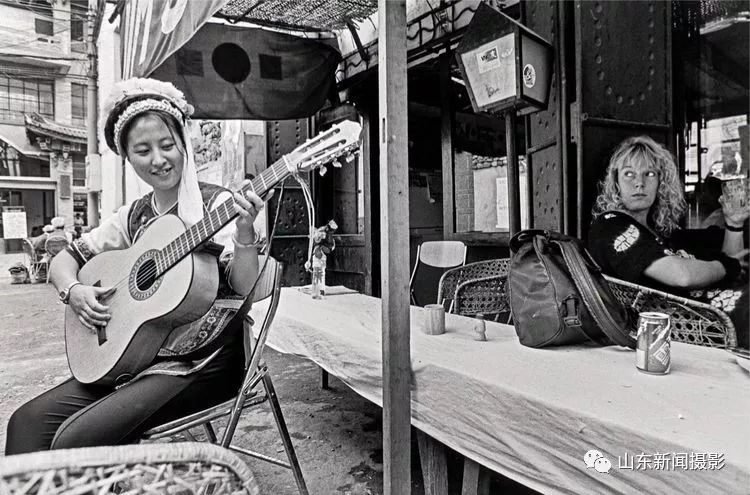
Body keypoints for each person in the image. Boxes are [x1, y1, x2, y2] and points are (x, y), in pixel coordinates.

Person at [5, 78, 267, 454]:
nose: (158, 160)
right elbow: (65, 259)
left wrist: (244, 235)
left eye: (167, 145)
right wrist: (73, 291)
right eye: (143, 151)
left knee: (75, 440)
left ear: (184, 144)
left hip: (205, 362)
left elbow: (244, 289)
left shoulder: (218, 205)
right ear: (128, 159)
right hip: (136, 353)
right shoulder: (133, 216)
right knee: (26, 422)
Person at [589, 135, 749, 349]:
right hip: (687, 327)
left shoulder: (662, 233)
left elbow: (731, 266)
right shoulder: (611, 224)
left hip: (716, 318)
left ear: (660, 182)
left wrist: (734, 224)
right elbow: (682, 276)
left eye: (649, 174)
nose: (639, 182)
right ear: (616, 182)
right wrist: (727, 266)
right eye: (629, 174)